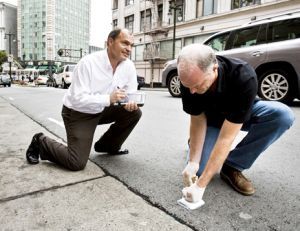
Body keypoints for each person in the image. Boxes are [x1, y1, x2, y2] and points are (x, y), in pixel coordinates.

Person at [178, 44, 294, 202]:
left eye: (197, 85)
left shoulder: (243, 76)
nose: (192, 91)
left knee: (283, 115)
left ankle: (233, 165)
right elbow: (197, 120)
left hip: (238, 116)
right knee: (198, 171)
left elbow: (226, 138)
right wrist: (193, 162)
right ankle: (198, 144)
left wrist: (200, 186)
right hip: (210, 120)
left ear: (214, 68)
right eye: (188, 87)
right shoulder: (189, 80)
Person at [26, 28, 142, 171]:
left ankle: (107, 146)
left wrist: (130, 103)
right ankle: (40, 141)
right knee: (76, 162)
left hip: (102, 108)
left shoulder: (128, 66)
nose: (129, 49)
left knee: (135, 113)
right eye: (125, 43)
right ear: (110, 42)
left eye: (131, 45)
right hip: (78, 112)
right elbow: (77, 99)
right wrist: (108, 98)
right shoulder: (88, 63)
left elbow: (130, 93)